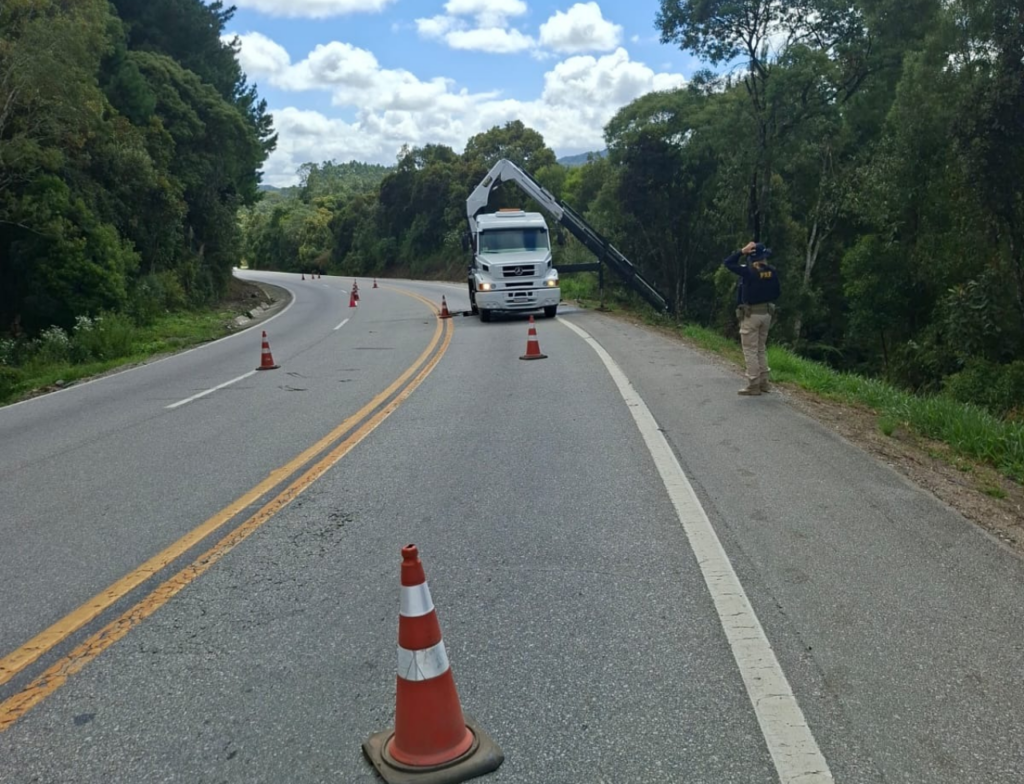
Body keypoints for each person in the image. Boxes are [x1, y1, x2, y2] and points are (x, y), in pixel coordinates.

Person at [723, 241, 780, 396]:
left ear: (751, 256)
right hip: (767, 313)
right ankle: (764, 383)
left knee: (750, 350)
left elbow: (728, 263)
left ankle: (753, 384)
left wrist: (742, 251)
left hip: (751, 314)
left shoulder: (748, 271)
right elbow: (777, 293)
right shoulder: (772, 271)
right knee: (761, 348)